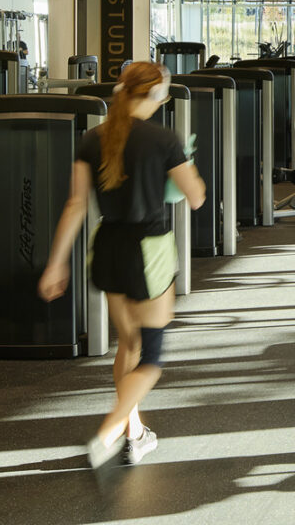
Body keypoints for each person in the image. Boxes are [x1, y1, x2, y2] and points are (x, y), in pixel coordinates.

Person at [38, 61, 206, 471]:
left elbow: (76, 205)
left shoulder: (93, 138)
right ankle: (109, 431)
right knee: (150, 356)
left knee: (127, 347)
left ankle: (136, 433)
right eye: (164, 92)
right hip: (148, 252)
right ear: (152, 95)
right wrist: (179, 175)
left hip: (108, 247)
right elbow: (197, 196)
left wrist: (55, 264)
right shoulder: (164, 139)